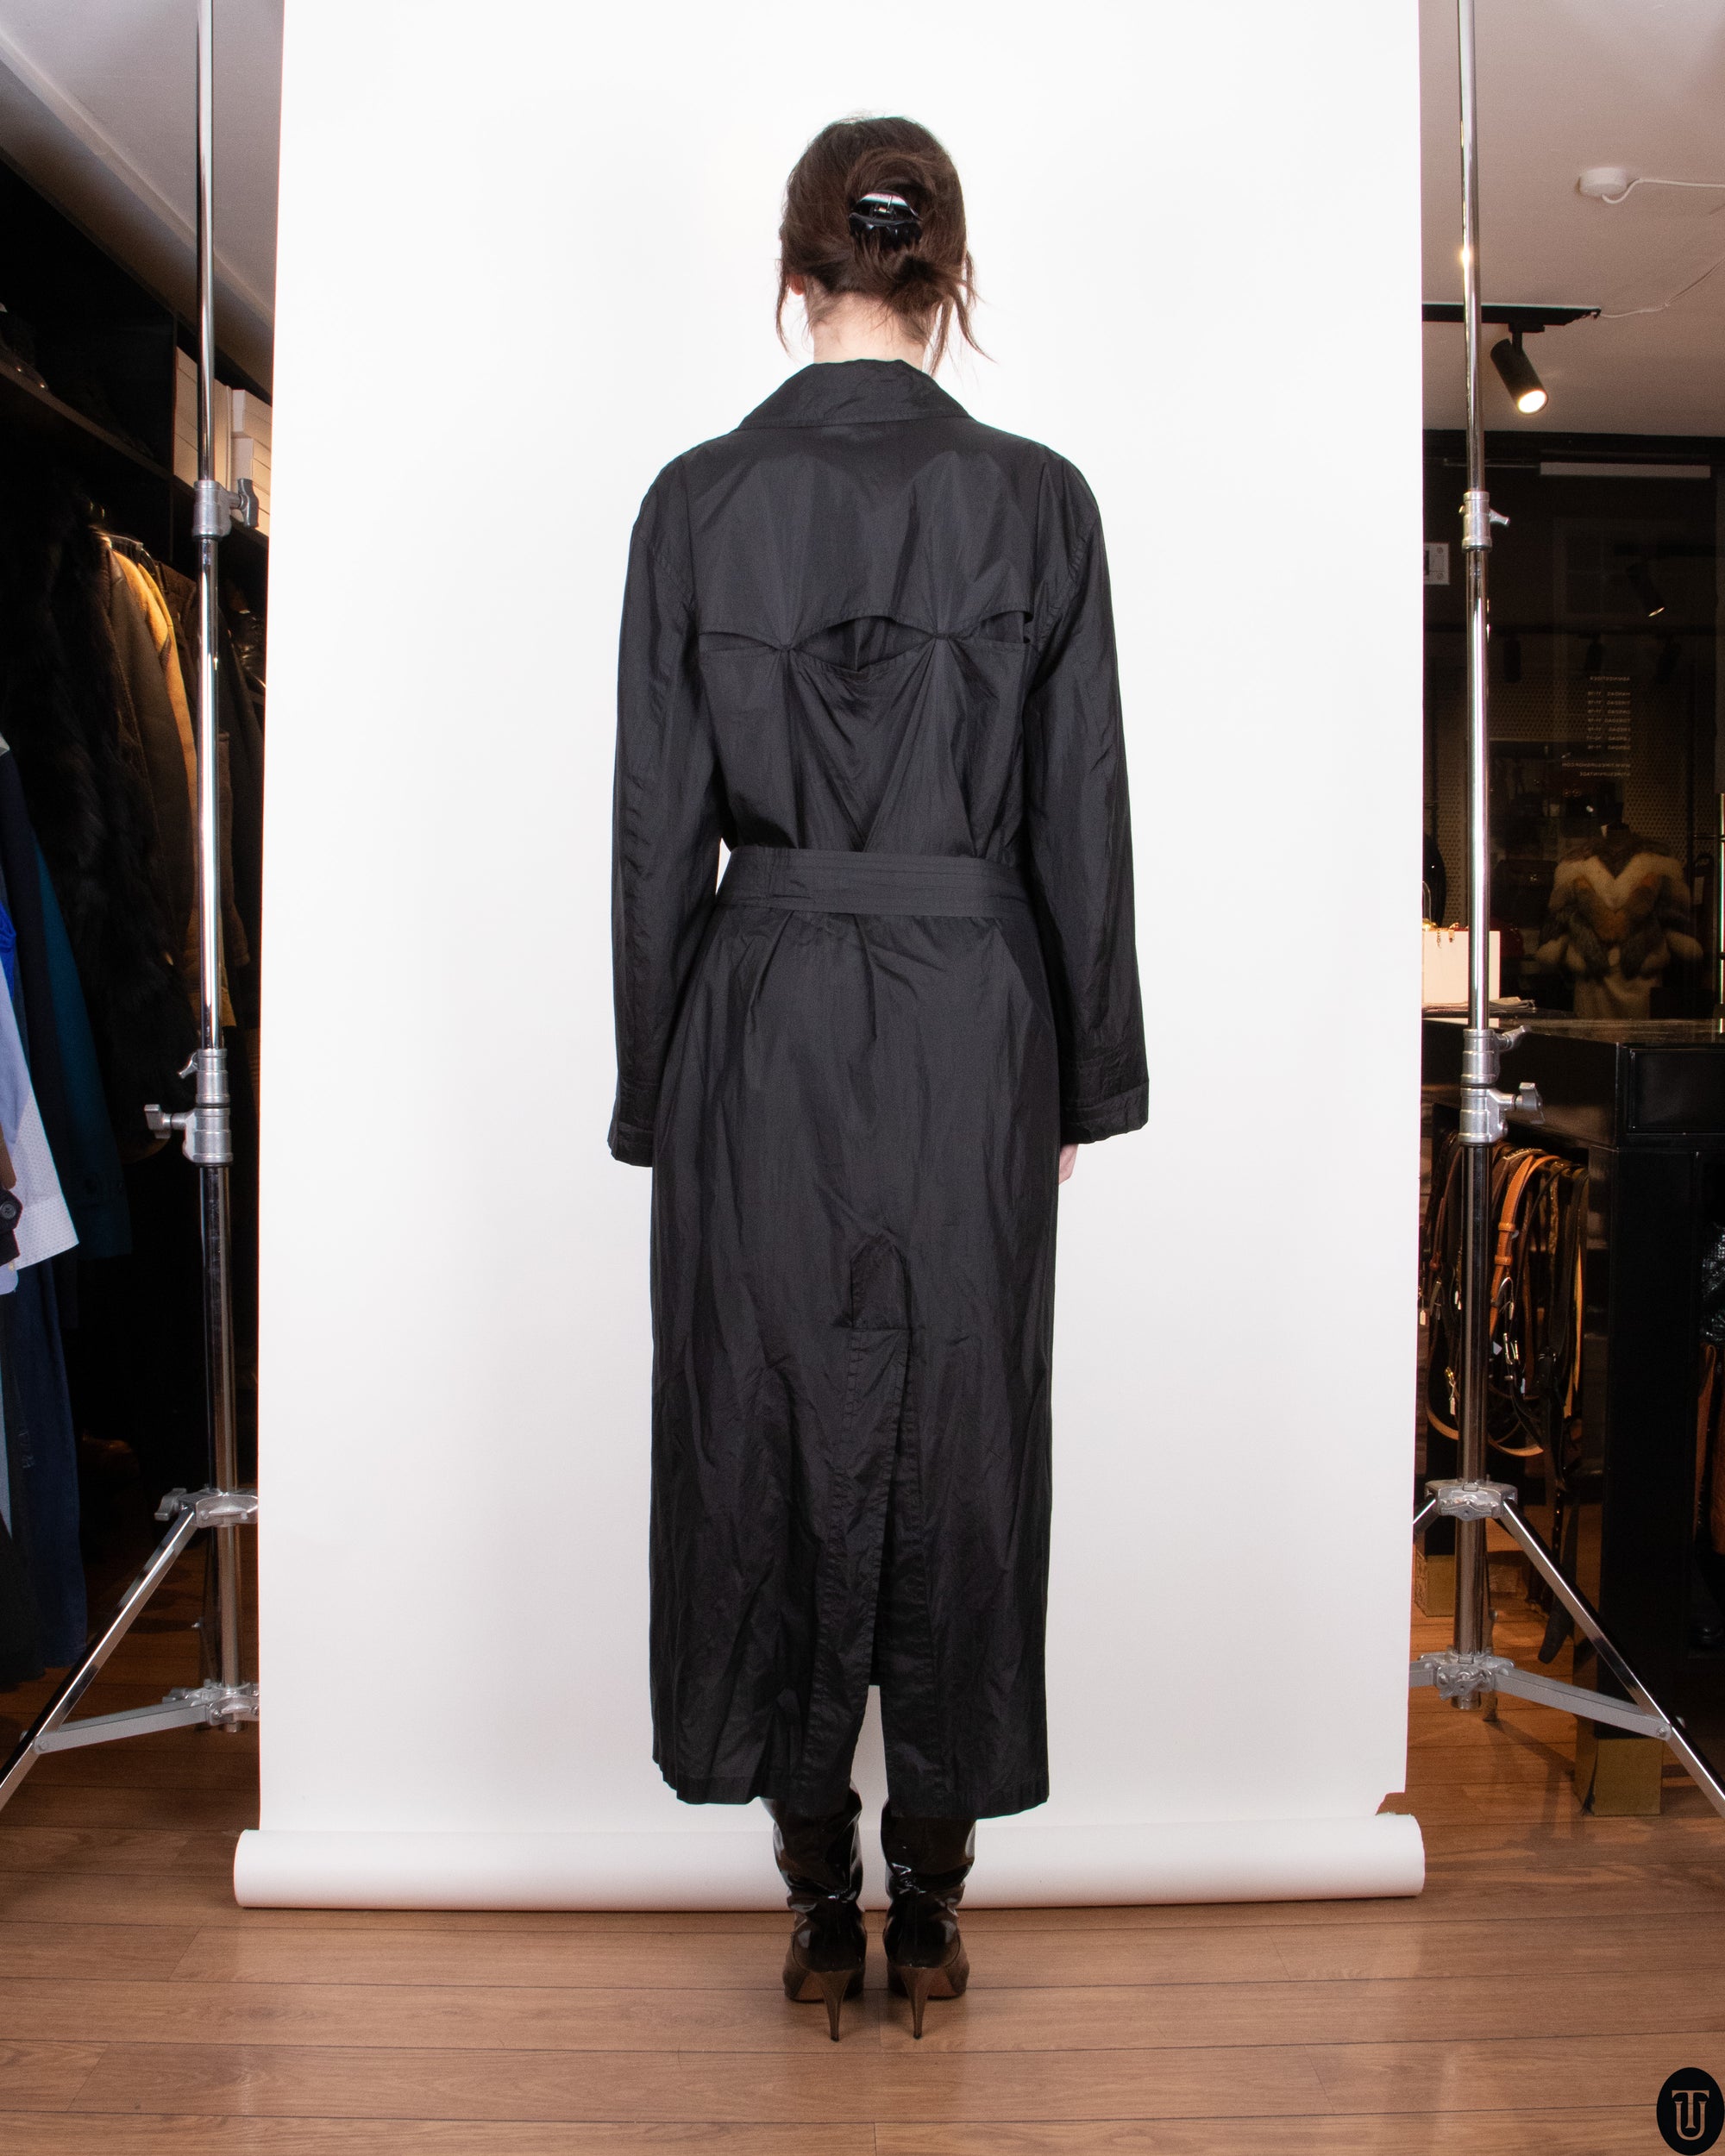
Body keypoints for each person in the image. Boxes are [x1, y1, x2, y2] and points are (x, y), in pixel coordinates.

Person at [608, 115, 1147, 2040]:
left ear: (794, 272)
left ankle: (814, 1899)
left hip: (756, 1016)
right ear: (950, 276)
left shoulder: (693, 503)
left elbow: (655, 829)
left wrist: (656, 1088)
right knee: (964, 1429)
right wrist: (1079, 1081)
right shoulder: (1042, 503)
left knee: (758, 1422)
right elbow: (1080, 813)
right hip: (975, 1018)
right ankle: (930, 1904)